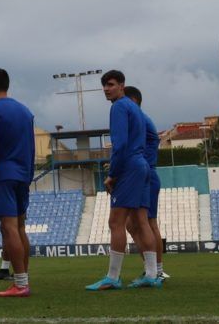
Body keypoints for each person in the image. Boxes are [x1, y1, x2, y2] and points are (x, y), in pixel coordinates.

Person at [86, 70, 160, 290]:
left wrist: (112, 174)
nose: (106, 89)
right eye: (104, 86)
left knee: (116, 222)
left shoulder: (118, 107)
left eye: (110, 84)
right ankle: (152, 274)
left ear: (121, 85)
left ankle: (113, 276)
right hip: (143, 166)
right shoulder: (135, 108)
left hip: (129, 166)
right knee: (142, 221)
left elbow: (120, 145)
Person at [0, 67, 35, 297]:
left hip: (4, 174)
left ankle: (20, 284)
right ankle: (23, 279)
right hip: (23, 174)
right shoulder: (25, 111)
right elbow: (31, 146)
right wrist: (28, 174)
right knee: (20, 227)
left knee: (8, 227)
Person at [123, 86, 166, 281]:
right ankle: (151, 268)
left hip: (144, 174)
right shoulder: (141, 120)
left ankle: (157, 270)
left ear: (132, 101)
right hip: (143, 173)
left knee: (147, 223)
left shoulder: (139, 119)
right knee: (132, 225)